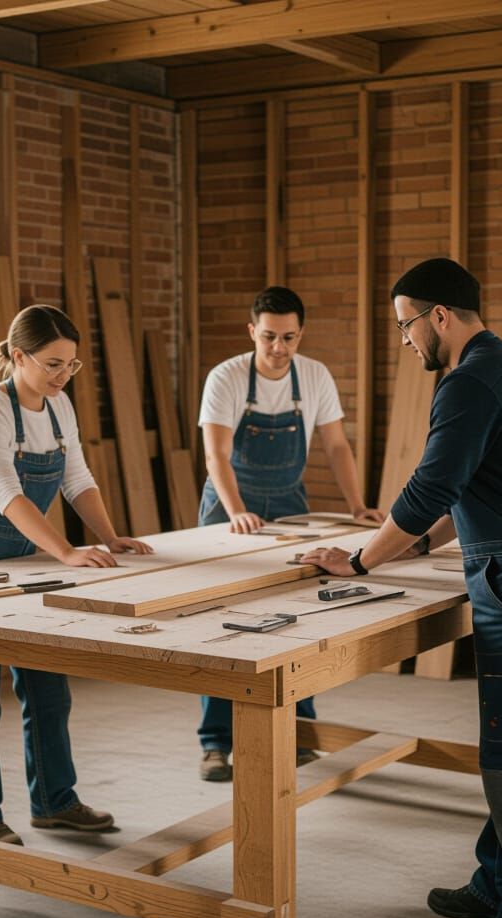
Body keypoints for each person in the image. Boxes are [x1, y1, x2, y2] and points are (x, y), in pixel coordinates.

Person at [299, 259, 502, 918]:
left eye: (406, 324)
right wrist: (407, 549)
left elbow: (431, 485)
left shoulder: (467, 382)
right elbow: (468, 490)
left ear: (440, 316)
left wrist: (364, 560)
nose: (405, 340)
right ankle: (497, 884)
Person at [0, 305, 153, 845]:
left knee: (48, 690)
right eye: (52, 364)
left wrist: (109, 534)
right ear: (17, 355)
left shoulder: (59, 405)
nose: (61, 376)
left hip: (25, 553)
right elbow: (6, 493)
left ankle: (54, 802)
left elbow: (76, 477)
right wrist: (67, 552)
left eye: (71, 365)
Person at [195, 285, 384, 781]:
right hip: (229, 501)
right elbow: (216, 454)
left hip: (288, 503)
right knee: (219, 621)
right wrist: (235, 511)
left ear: (301, 334)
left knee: (297, 617)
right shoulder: (227, 377)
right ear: (251, 331)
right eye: (270, 337)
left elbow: (337, 446)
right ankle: (216, 743)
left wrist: (357, 506)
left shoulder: (314, 376)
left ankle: (298, 731)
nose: (279, 348)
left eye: (290, 338)